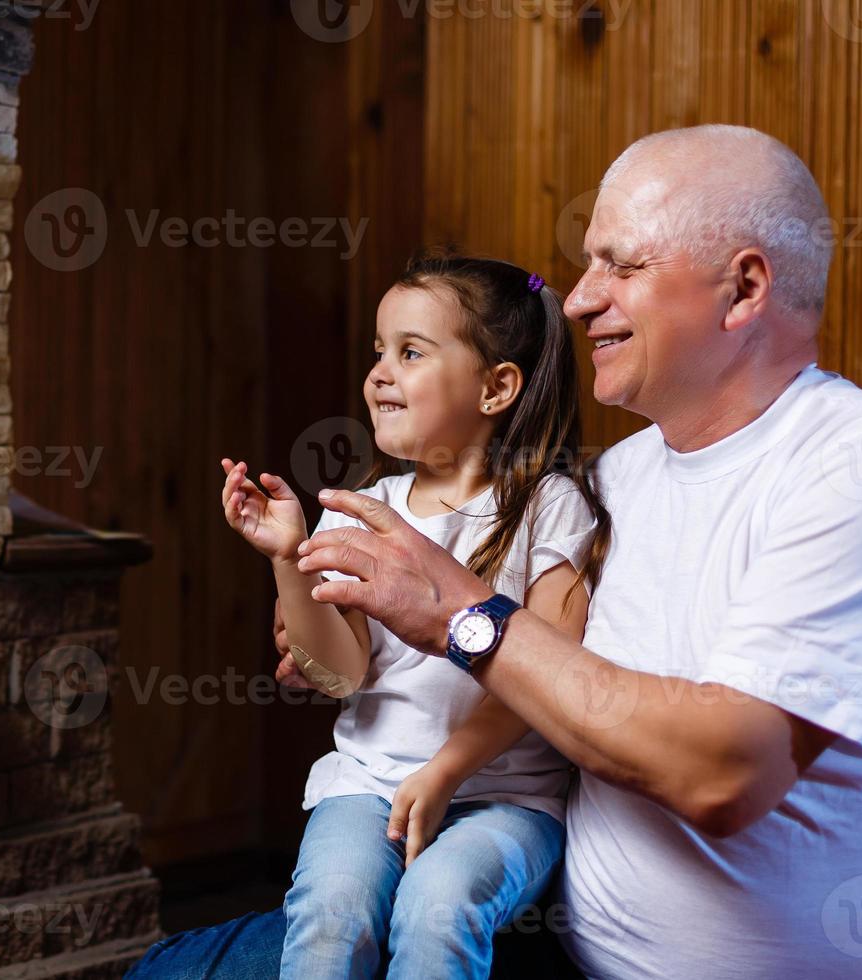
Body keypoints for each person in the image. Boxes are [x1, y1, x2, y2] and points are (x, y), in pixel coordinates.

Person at [292, 125, 862, 978]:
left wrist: (457, 613)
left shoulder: (844, 460)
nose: (574, 299)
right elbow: (547, 676)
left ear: (744, 289)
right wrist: (326, 632)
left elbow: (723, 773)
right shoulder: (616, 480)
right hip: (540, 940)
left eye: (621, 266)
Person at [207, 253, 607, 980]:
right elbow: (338, 674)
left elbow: (548, 673)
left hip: (506, 801)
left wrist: (447, 770)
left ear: (496, 387)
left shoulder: (549, 509)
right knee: (332, 907)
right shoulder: (370, 510)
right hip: (368, 784)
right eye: (379, 352)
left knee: (438, 905)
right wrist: (288, 556)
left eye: (410, 352)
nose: (379, 373)